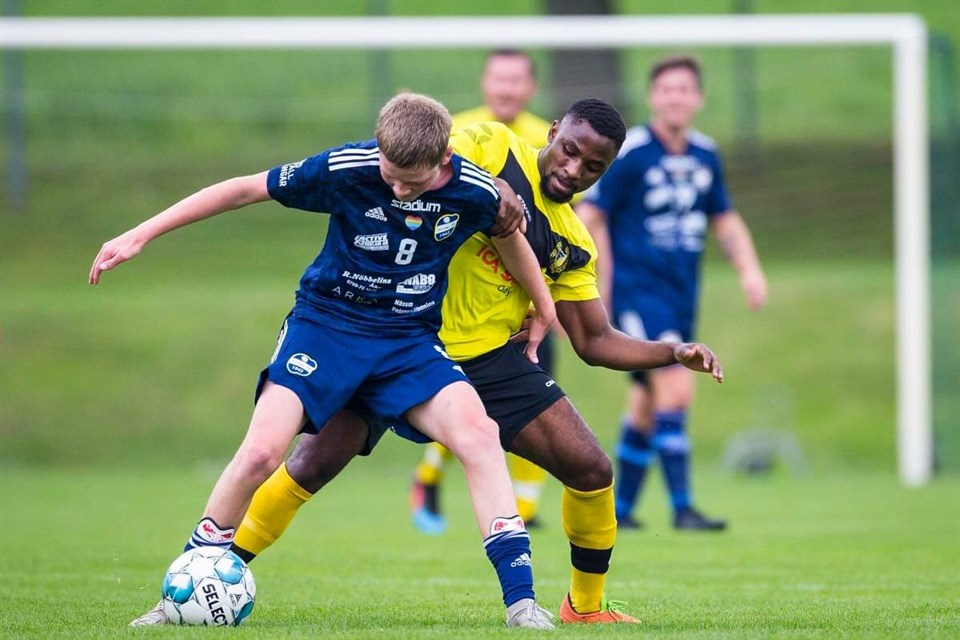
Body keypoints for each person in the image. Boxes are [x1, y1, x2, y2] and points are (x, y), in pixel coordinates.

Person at [229, 99, 725, 625]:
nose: (573, 169)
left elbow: (594, 339)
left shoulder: (573, 242)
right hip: (396, 341)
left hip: (488, 362)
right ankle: (217, 568)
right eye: (569, 151)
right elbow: (432, 161)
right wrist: (497, 188)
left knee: (591, 468)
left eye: (592, 167)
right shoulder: (494, 146)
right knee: (311, 464)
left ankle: (584, 607)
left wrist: (672, 352)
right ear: (553, 132)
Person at [91, 93, 558, 629]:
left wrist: (544, 306)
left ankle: (522, 604)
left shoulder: (474, 190)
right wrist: (141, 233)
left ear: (444, 159)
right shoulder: (347, 169)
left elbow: (507, 235)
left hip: (407, 341)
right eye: (391, 176)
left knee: (479, 434)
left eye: (413, 183)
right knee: (260, 453)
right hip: (325, 329)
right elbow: (244, 189)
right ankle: (176, 596)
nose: (399, 190)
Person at [576, 55, 768, 531]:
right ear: (652, 97)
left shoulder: (705, 154)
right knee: (677, 386)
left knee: (647, 404)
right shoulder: (632, 152)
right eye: (667, 89)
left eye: (684, 89)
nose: (675, 98)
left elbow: (724, 219)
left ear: (698, 98)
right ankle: (683, 508)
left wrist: (749, 270)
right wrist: (586, 280)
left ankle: (620, 512)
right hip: (637, 293)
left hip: (681, 295)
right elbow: (590, 214)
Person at [411, 48, 554, 534]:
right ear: (484, 82)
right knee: (458, 400)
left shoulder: (549, 141)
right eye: (499, 78)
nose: (507, 88)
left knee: (537, 398)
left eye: (516, 80)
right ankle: (430, 475)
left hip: (527, 302)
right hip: (460, 300)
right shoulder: (456, 131)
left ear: (531, 87)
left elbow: (562, 221)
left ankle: (526, 509)